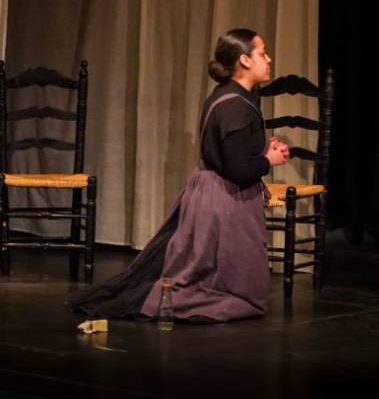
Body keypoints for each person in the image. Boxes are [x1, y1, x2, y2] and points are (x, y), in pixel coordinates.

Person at [66, 28, 289, 322]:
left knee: (247, 292)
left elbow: (232, 154)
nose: (268, 59)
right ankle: (164, 301)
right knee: (240, 296)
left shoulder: (231, 97)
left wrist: (263, 152)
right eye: (262, 53)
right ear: (244, 60)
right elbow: (237, 170)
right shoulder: (235, 105)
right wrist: (269, 161)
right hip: (224, 201)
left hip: (215, 193)